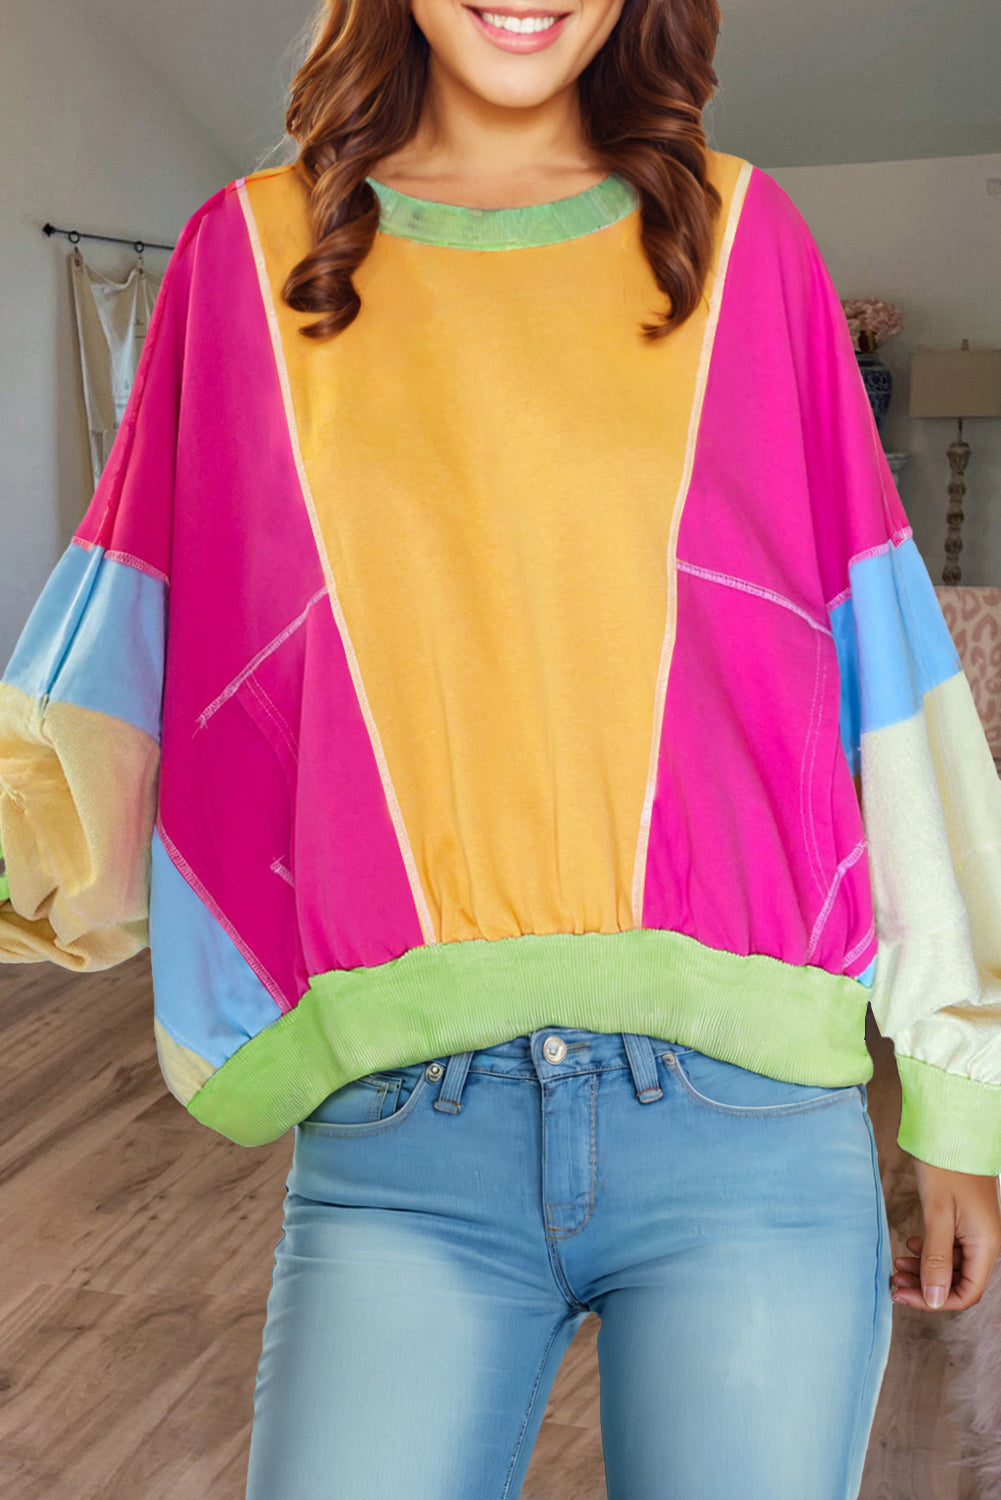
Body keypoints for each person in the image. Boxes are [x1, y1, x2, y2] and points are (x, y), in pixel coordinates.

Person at [1, 1, 1000, 1496]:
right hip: (401, 1135)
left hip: (749, 1131)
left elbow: (885, 662)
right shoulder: (248, 254)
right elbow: (138, 622)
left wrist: (959, 1093)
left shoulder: (741, 239)